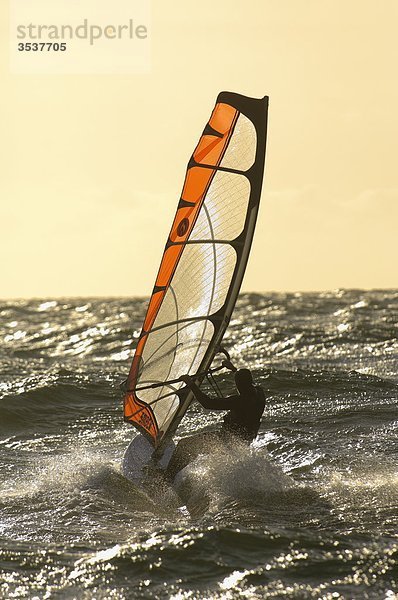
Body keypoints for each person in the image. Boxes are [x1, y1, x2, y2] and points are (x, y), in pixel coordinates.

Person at [165, 368, 266, 481]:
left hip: (227, 441)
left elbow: (208, 403)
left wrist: (191, 384)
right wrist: (234, 370)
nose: (238, 388)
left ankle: (168, 477)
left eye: (238, 384)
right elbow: (247, 381)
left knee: (185, 444)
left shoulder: (240, 401)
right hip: (243, 442)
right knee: (195, 446)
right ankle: (171, 475)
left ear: (241, 385)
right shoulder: (260, 394)